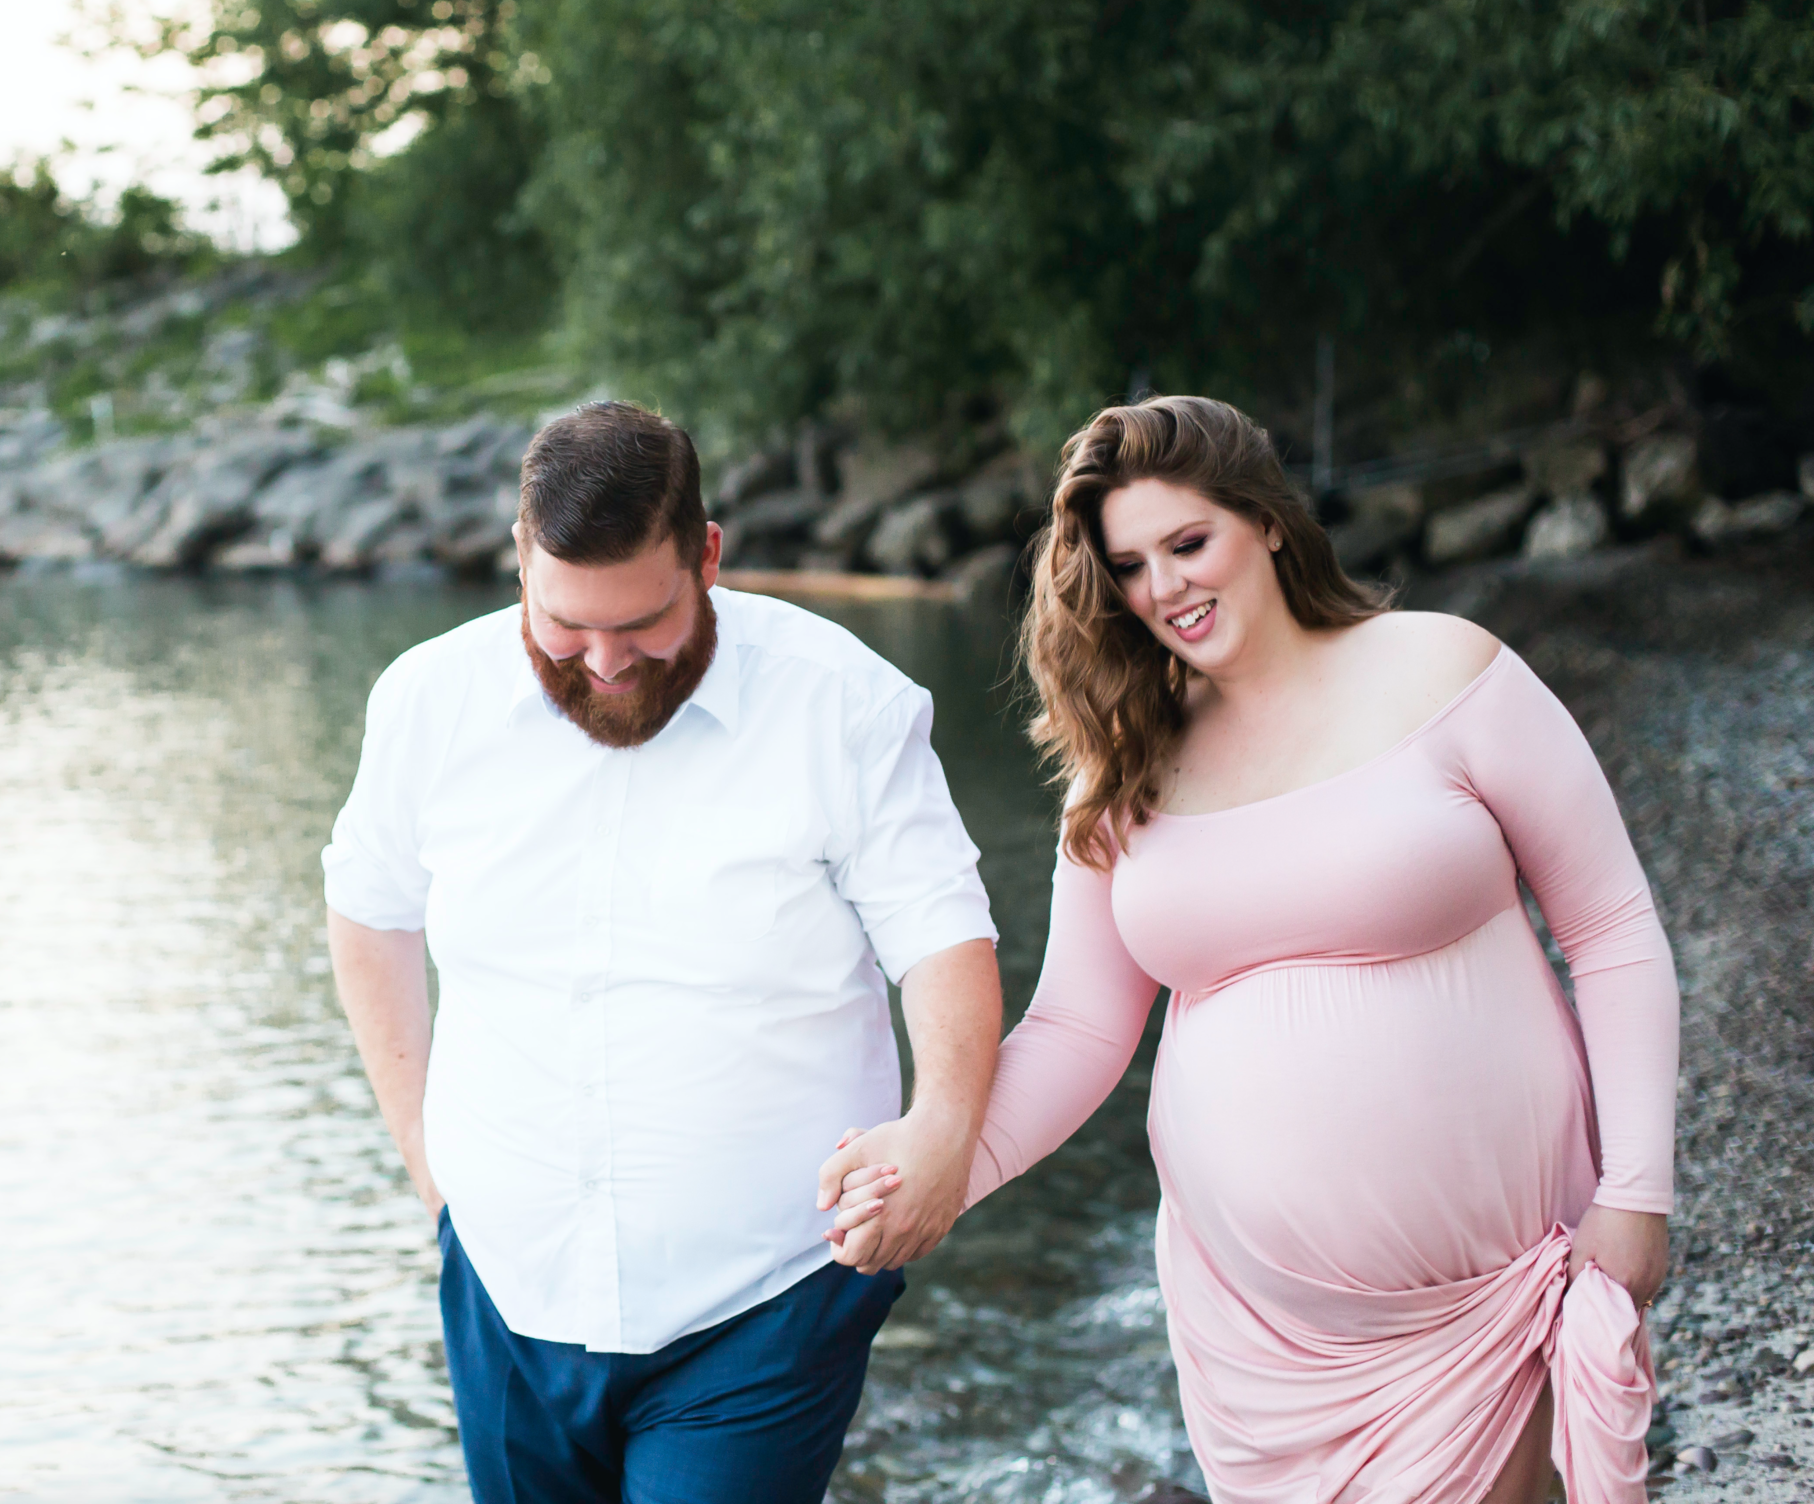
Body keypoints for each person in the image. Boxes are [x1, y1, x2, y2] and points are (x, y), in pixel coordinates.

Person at [822, 396, 1678, 1504]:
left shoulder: (1444, 670)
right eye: (1131, 566)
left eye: (1189, 543)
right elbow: (1081, 1027)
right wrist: (942, 1162)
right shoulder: (1123, 764)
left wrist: (1639, 1187)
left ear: (1267, 521)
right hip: (1263, 1338)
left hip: (1493, 1290)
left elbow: (1609, 925)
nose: (1165, 587)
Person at [322, 400, 1002, 1504]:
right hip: (503, 1279)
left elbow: (940, 938)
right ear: (519, 562)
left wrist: (942, 1126)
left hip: (762, 1300)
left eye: (641, 623)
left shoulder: (845, 703)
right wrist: (426, 1154)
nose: (602, 663)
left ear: (708, 556)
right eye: (563, 625)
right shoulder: (424, 702)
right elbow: (367, 909)